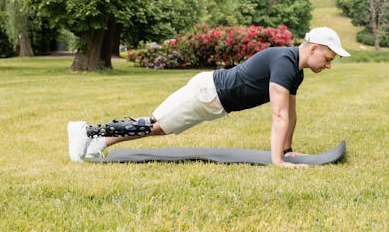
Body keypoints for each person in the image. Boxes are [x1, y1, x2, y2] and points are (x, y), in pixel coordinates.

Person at [68, 26, 350, 168]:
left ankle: (97, 142)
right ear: (313, 48)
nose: (329, 64)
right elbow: (279, 115)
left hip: (213, 100)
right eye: (327, 57)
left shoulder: (294, 70)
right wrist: (277, 161)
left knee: (156, 126)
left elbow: (291, 114)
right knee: (155, 125)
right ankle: (88, 132)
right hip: (205, 94)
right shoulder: (285, 62)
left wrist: (287, 152)